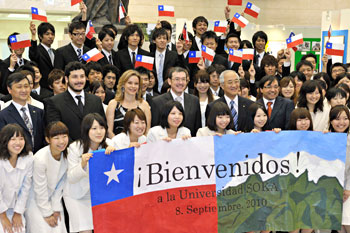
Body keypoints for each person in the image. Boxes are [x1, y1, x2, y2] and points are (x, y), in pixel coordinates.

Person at [64, 113, 115, 233]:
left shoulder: (110, 144)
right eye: (94, 128)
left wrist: (113, 156)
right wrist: (82, 164)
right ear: (86, 130)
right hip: (77, 195)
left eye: (102, 128)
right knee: (85, 230)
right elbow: (71, 178)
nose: (99, 132)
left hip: (99, 195)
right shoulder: (75, 147)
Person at [25, 121, 69, 233]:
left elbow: (60, 185)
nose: (61, 141)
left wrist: (55, 208)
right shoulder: (40, 159)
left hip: (54, 201)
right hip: (36, 202)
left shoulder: (66, 155)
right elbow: (39, 189)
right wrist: (47, 213)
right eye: (56, 138)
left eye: (64, 137)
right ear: (48, 139)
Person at [45, 62, 105, 141]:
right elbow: (55, 131)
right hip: (69, 150)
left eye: (82, 76)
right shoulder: (54, 102)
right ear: (66, 79)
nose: (79, 80)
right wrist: (76, 148)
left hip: (94, 147)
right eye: (75, 77)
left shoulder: (95, 100)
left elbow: (103, 125)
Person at [0, 124, 33, 233]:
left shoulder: (28, 157)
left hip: (15, 208)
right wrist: (3, 216)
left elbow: (25, 188)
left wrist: (18, 212)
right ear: (5, 141)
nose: (18, 143)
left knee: (20, 229)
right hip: (1, 209)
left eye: (21, 139)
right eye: (13, 139)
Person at [0, 73, 45, 153]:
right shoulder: (3, 115)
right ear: (9, 89)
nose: (24, 90)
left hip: (37, 158)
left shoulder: (38, 112)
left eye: (26, 86)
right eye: (19, 87)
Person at [151, 67, 201, 136]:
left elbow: (197, 128)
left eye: (183, 79)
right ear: (169, 81)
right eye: (177, 79)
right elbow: (155, 128)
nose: (180, 82)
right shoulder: (157, 102)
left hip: (188, 143)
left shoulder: (194, 100)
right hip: (165, 143)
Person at [106, 70, 151, 138]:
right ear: (123, 84)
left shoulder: (144, 105)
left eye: (136, 84)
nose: (133, 86)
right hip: (118, 146)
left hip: (139, 146)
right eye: (130, 83)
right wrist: (121, 145)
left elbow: (147, 131)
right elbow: (109, 131)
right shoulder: (113, 104)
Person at [151, 28, 185, 93]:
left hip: (170, 90)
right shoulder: (149, 56)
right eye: (159, 38)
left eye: (164, 38)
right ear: (154, 41)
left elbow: (182, 69)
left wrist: (180, 53)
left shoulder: (174, 55)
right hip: (153, 91)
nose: (162, 40)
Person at [29, 21, 56, 89]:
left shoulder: (55, 52)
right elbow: (33, 55)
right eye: (47, 34)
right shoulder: (37, 50)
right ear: (40, 36)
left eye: (52, 34)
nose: (50, 37)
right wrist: (33, 35)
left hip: (54, 87)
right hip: (43, 87)